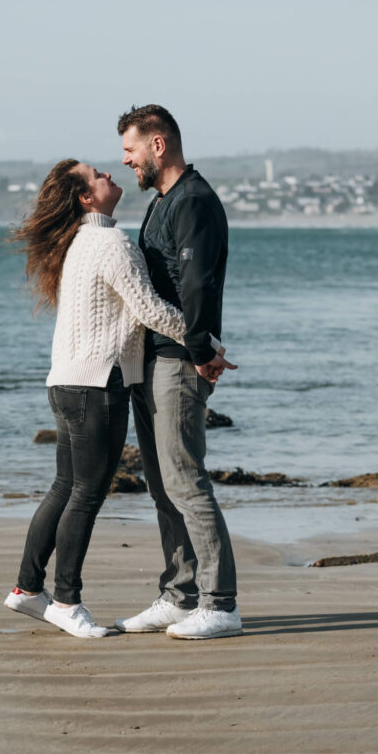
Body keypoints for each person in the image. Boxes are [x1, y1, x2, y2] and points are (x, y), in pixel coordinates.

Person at [3, 158, 189, 638]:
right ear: (87, 197)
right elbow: (149, 310)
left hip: (66, 382)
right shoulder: (111, 242)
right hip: (97, 385)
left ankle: (27, 589)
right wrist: (203, 338)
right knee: (84, 494)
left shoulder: (80, 243)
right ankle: (65, 600)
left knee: (65, 488)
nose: (109, 174)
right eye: (98, 175)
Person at [114, 104, 242, 640]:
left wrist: (198, 349)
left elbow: (196, 284)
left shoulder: (193, 201)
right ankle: (179, 594)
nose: (126, 161)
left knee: (186, 482)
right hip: (151, 362)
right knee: (163, 488)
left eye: (131, 150)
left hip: (178, 362)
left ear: (158, 145)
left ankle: (220, 604)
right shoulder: (163, 201)